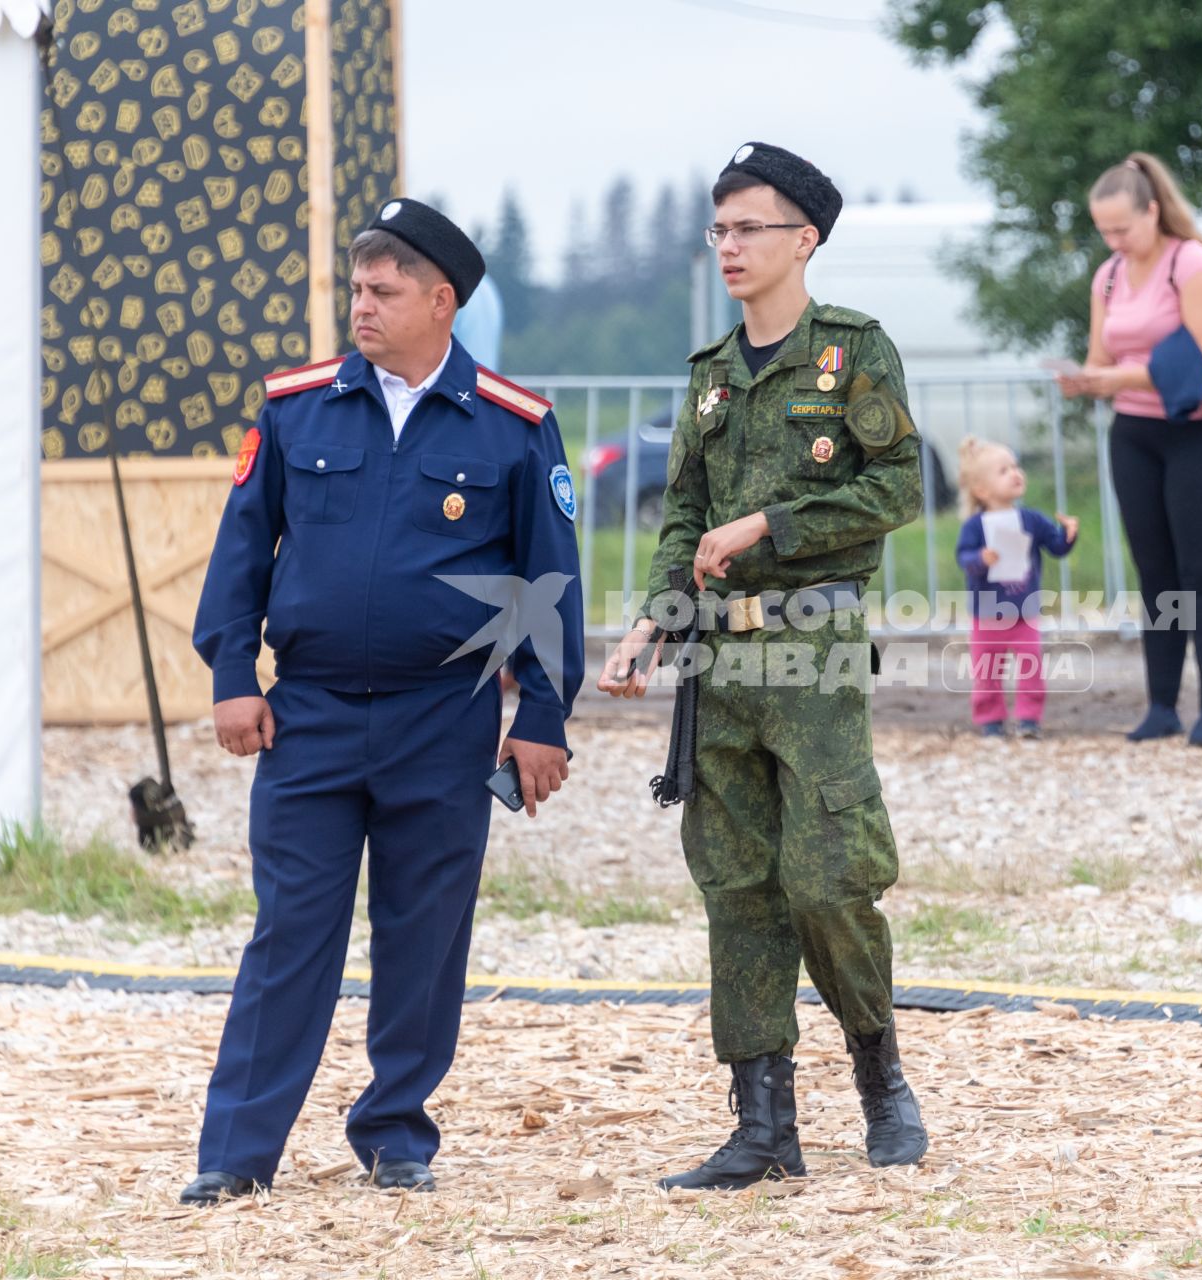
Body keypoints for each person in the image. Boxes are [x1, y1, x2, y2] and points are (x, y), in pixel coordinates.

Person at [180, 198, 583, 1204]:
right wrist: (234, 675)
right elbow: (242, 551)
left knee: (425, 932)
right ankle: (236, 1150)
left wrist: (540, 718)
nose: (360, 305)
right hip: (308, 717)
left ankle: (397, 1132)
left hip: (443, 723)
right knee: (290, 932)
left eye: (383, 289)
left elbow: (548, 583)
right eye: (356, 287)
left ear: (441, 300)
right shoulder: (296, 405)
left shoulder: (513, 423)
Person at [595, 142, 928, 1190]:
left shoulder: (853, 352)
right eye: (720, 229)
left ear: (804, 239)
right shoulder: (708, 379)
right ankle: (763, 1123)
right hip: (719, 662)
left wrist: (771, 524)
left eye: (750, 228)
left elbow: (899, 489)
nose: (730, 246)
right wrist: (649, 622)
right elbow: (683, 517)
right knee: (737, 884)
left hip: (812, 650)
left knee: (828, 877)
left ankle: (881, 1074)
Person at [1059, 152, 1202, 748]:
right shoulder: (1109, 275)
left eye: (1123, 228)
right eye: (1104, 230)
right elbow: (1100, 356)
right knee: (1156, 573)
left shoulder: (1192, 264)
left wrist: (1118, 379)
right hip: (1135, 435)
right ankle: (1162, 703)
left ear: (1153, 211)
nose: (1114, 240)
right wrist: (1087, 380)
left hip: (1201, 433)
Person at [954, 438, 1078, 739]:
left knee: (1031, 666)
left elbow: (1057, 547)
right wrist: (980, 559)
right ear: (981, 490)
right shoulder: (974, 526)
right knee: (987, 670)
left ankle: (1029, 720)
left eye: (1015, 466)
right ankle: (991, 720)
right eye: (1003, 470)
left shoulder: (1032, 520)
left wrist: (1069, 534)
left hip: (1025, 610)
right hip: (986, 613)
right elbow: (963, 557)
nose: (1015, 473)